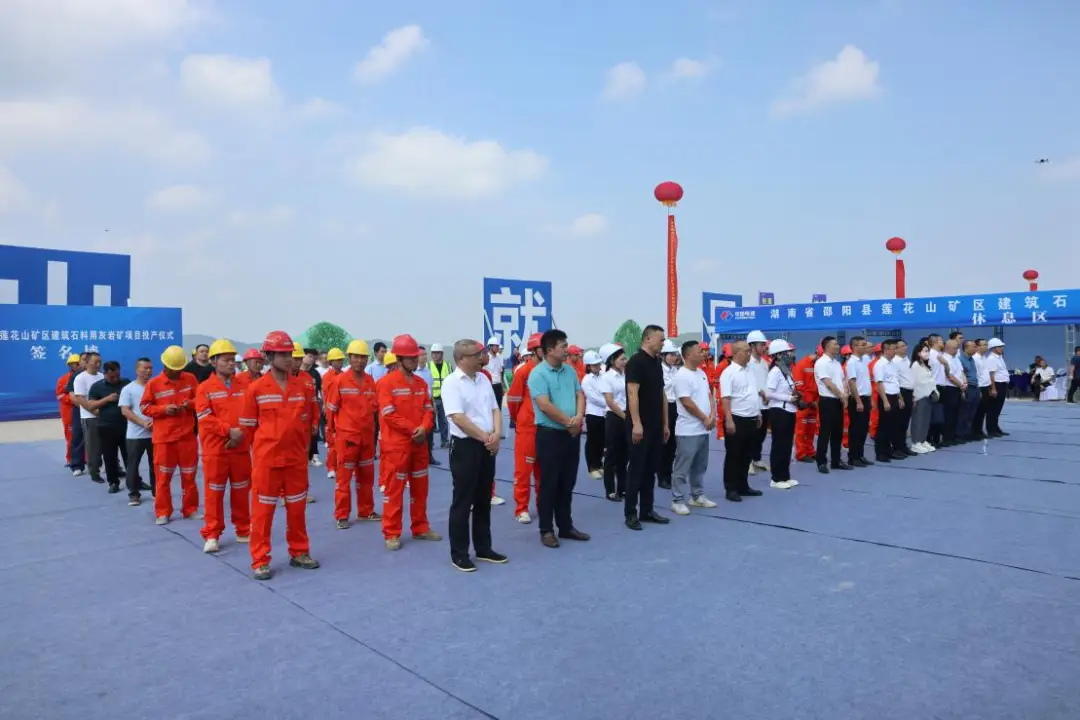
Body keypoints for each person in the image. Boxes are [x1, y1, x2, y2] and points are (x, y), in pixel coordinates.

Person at [239, 330, 320, 581]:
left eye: (289, 354)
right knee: (263, 514)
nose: (288, 358)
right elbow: (248, 428)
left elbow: (307, 421)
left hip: (296, 459)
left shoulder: (302, 386)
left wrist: (301, 448)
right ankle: (260, 560)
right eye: (282, 354)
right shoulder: (256, 389)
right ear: (269, 356)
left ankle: (299, 552)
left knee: (297, 510)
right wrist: (267, 448)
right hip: (268, 462)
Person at [443, 339, 507, 572]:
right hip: (465, 446)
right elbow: (458, 418)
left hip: (487, 443)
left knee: (483, 499)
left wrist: (497, 435)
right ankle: (459, 553)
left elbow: (495, 409)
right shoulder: (452, 383)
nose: (481, 357)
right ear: (461, 358)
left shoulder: (483, 380)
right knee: (463, 501)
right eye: (476, 354)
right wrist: (485, 437)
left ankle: (484, 547)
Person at [377, 334, 442, 551]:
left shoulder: (421, 383)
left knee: (420, 488)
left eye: (417, 358)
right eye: (412, 358)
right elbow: (388, 414)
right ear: (400, 358)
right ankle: (391, 532)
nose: (417, 361)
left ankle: (420, 527)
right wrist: (415, 429)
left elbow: (428, 409)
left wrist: (424, 428)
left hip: (419, 444)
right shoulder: (386, 384)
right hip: (397, 447)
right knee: (394, 490)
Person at [528, 329, 590, 548]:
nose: (567, 349)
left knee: (567, 482)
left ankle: (565, 526)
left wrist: (578, 418)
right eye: (563, 346)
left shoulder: (570, 371)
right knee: (549, 484)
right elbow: (544, 405)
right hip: (550, 435)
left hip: (572, 434)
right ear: (549, 350)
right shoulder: (538, 374)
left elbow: (579, 395)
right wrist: (569, 422)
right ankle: (546, 529)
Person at [195, 339, 252, 554]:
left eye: (233, 360)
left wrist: (239, 434)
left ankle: (243, 529)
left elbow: (251, 414)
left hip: (239, 448)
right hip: (216, 450)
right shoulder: (204, 389)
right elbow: (204, 417)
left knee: (240, 490)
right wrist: (229, 431)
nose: (231, 364)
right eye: (226, 360)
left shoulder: (244, 386)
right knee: (214, 493)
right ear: (214, 362)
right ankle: (212, 534)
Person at [141, 346, 200, 524]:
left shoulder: (190, 379)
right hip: (164, 440)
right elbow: (144, 407)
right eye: (175, 369)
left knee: (189, 476)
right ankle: (163, 512)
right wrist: (164, 409)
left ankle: (190, 509)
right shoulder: (154, 384)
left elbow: (201, 400)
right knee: (163, 479)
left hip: (187, 438)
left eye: (180, 369)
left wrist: (188, 404)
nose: (178, 372)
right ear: (165, 367)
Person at [325, 339, 380, 529]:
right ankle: (342, 515)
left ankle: (365, 511)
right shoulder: (339, 381)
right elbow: (331, 410)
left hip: (366, 438)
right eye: (356, 357)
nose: (360, 361)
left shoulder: (370, 381)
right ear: (350, 357)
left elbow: (374, 407)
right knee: (344, 479)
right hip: (347, 439)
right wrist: (331, 435)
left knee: (366, 477)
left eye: (363, 357)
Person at [624, 325, 671, 530]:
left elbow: (661, 394)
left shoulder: (656, 363)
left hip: (656, 425)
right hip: (639, 425)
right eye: (661, 339)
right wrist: (636, 423)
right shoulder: (636, 362)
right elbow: (632, 394)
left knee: (651, 469)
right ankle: (630, 513)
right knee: (636, 469)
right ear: (648, 339)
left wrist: (665, 423)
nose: (663, 343)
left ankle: (647, 510)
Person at [669, 340, 718, 514]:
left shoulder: (702, 373)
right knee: (682, 466)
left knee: (700, 465)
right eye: (699, 351)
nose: (703, 354)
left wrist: (712, 415)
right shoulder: (682, 375)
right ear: (688, 355)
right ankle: (677, 499)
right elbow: (686, 402)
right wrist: (705, 417)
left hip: (703, 428)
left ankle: (697, 495)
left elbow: (708, 395)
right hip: (688, 430)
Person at [719, 340, 764, 502]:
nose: (749, 353)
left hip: (751, 417)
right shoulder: (728, 372)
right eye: (746, 351)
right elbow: (725, 398)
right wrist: (729, 420)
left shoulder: (750, 370)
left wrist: (758, 413)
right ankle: (731, 488)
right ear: (737, 353)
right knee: (734, 455)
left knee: (747, 455)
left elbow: (753, 394)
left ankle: (743, 485)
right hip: (737, 418)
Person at [506, 332, 543, 524]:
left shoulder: (550, 371)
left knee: (543, 470)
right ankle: (521, 508)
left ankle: (542, 505)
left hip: (546, 428)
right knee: (523, 469)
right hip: (527, 428)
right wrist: (520, 419)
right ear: (535, 350)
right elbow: (513, 400)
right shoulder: (523, 372)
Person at [87, 360, 130, 493]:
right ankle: (113, 482)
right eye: (112, 376)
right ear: (105, 374)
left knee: (130, 456)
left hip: (126, 426)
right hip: (106, 427)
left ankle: (135, 480)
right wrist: (107, 399)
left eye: (117, 375)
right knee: (109, 457)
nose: (115, 379)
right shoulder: (97, 387)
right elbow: (91, 405)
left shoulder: (126, 383)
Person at [119, 357, 155, 505]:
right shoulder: (128, 389)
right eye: (145, 368)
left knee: (156, 464)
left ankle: (157, 492)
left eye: (150, 368)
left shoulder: (155, 386)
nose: (148, 370)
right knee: (133, 465)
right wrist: (143, 423)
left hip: (155, 433)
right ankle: (134, 494)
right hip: (135, 435)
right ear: (137, 370)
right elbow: (125, 411)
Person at [764, 339, 799, 489]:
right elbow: (769, 393)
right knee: (779, 445)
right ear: (778, 355)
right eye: (787, 353)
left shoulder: (786, 371)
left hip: (789, 410)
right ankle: (776, 478)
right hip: (779, 411)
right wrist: (788, 398)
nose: (791, 355)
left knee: (786, 445)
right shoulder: (775, 372)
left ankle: (785, 475)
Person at [814, 336, 851, 473]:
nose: (838, 346)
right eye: (835, 344)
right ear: (827, 346)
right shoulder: (821, 363)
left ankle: (836, 460)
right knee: (825, 432)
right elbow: (828, 383)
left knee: (838, 432)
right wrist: (842, 395)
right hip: (827, 401)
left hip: (838, 401)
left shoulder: (836, 363)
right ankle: (821, 462)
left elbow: (842, 380)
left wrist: (845, 394)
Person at [72, 352, 108, 485]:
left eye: (100, 361)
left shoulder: (102, 376)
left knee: (107, 445)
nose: (98, 364)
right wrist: (96, 411)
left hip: (104, 416)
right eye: (95, 362)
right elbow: (81, 399)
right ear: (87, 362)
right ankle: (94, 472)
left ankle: (110, 468)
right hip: (89, 417)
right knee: (93, 447)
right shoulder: (80, 378)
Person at [600, 343, 629, 503]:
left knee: (625, 456)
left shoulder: (627, 375)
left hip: (627, 415)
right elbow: (610, 402)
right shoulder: (607, 377)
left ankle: (623, 488)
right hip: (614, 417)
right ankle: (610, 490)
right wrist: (625, 417)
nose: (625, 361)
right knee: (611, 454)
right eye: (622, 359)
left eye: (626, 359)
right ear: (612, 361)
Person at [873, 340, 905, 462]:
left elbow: (896, 382)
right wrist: (885, 401)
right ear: (885, 350)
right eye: (893, 348)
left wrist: (900, 397)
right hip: (885, 396)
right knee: (883, 426)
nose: (895, 351)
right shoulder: (880, 364)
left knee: (893, 426)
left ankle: (889, 450)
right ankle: (880, 452)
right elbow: (879, 384)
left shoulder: (893, 364)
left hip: (894, 395)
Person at [744, 331, 771, 475]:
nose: (764, 348)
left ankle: (756, 458)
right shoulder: (747, 363)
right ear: (752, 346)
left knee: (761, 434)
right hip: (752, 404)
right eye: (761, 345)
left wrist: (767, 395)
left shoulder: (765, 363)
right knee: (751, 434)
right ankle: (747, 461)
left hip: (765, 403)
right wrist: (759, 392)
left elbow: (767, 381)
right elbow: (747, 383)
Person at [844, 336, 874, 467]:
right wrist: (858, 401)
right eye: (863, 345)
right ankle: (853, 456)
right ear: (855, 346)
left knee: (863, 429)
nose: (865, 347)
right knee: (856, 429)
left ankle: (860, 455)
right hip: (857, 398)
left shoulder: (863, 361)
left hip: (865, 397)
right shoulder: (852, 362)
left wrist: (870, 399)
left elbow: (866, 382)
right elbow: (852, 382)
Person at [791, 345, 821, 463]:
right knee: (801, 429)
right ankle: (801, 453)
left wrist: (816, 401)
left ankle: (810, 451)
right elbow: (799, 387)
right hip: (804, 403)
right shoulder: (802, 365)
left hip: (814, 403)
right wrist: (810, 401)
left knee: (811, 429)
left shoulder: (818, 366)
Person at [580, 350, 607, 479]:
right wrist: (609, 403)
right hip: (593, 413)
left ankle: (599, 464)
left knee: (602, 441)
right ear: (588, 366)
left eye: (598, 364)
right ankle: (592, 466)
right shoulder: (586, 380)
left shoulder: (603, 376)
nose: (597, 366)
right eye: (594, 365)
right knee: (592, 441)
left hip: (604, 413)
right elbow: (593, 398)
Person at [658, 339, 681, 490]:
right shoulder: (659, 370)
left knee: (673, 444)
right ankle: (662, 476)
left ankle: (669, 472)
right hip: (664, 407)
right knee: (664, 444)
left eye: (675, 355)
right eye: (670, 355)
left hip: (677, 407)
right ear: (663, 355)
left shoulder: (676, 370)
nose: (673, 358)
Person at [908, 341, 938, 453]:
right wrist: (914, 397)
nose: (927, 353)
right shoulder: (915, 365)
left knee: (926, 420)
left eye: (928, 351)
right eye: (925, 351)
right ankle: (916, 442)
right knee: (918, 420)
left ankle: (923, 439)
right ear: (918, 353)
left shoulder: (925, 365)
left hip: (928, 395)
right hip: (919, 396)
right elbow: (915, 382)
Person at [321, 347, 346, 479]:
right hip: (331, 411)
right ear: (331, 361)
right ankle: (331, 467)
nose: (340, 361)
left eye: (341, 359)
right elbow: (327, 395)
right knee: (331, 442)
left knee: (342, 442)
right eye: (337, 360)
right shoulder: (327, 377)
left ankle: (341, 466)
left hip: (342, 412)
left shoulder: (344, 376)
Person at [66, 352, 90, 477]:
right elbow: (72, 396)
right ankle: (76, 465)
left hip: (95, 410)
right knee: (78, 437)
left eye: (88, 359)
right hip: (80, 410)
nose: (86, 362)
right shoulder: (75, 376)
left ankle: (99, 464)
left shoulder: (100, 375)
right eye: (84, 360)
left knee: (101, 439)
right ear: (80, 362)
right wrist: (86, 406)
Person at [55, 353, 81, 468]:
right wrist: (75, 401)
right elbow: (60, 395)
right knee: (71, 437)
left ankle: (85, 459)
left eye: (77, 363)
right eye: (73, 364)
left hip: (85, 410)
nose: (75, 366)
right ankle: (71, 459)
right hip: (69, 412)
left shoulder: (86, 377)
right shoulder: (63, 379)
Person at [891, 340, 916, 456]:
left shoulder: (907, 360)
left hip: (910, 391)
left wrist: (914, 395)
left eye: (905, 345)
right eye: (901, 346)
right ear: (895, 349)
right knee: (898, 422)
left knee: (905, 422)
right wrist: (899, 397)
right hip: (901, 392)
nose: (905, 348)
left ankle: (903, 445)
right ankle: (897, 447)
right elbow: (895, 381)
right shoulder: (895, 362)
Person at [428, 343, 453, 449]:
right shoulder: (428, 366)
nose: (435, 355)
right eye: (433, 353)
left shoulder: (448, 365)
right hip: (432, 398)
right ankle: (431, 442)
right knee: (430, 422)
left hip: (444, 398)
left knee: (444, 421)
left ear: (442, 354)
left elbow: (452, 380)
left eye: (437, 353)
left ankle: (444, 441)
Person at [984, 338, 1010, 436]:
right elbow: (991, 375)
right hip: (997, 385)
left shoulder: (999, 357)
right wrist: (993, 388)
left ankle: (995, 427)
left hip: (1002, 384)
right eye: (1000, 347)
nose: (1002, 348)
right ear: (994, 348)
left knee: (998, 408)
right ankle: (991, 429)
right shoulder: (991, 359)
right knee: (993, 408)